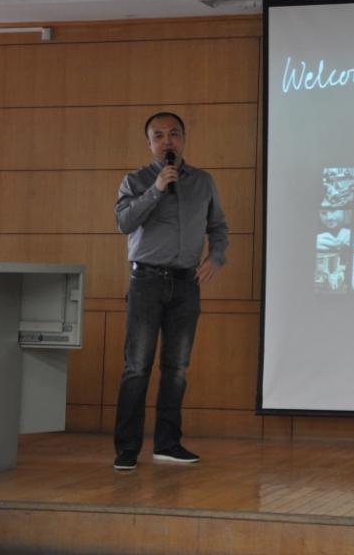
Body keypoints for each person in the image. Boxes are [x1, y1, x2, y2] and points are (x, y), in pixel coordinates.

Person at [112, 112, 228, 471]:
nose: (167, 141)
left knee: (176, 368)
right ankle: (127, 449)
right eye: (159, 135)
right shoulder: (135, 180)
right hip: (145, 282)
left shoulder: (203, 182)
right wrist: (157, 188)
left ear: (184, 139)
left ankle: (167, 444)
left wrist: (217, 257)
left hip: (185, 284)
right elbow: (124, 222)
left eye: (174, 134)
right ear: (149, 143)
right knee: (137, 367)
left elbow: (218, 226)